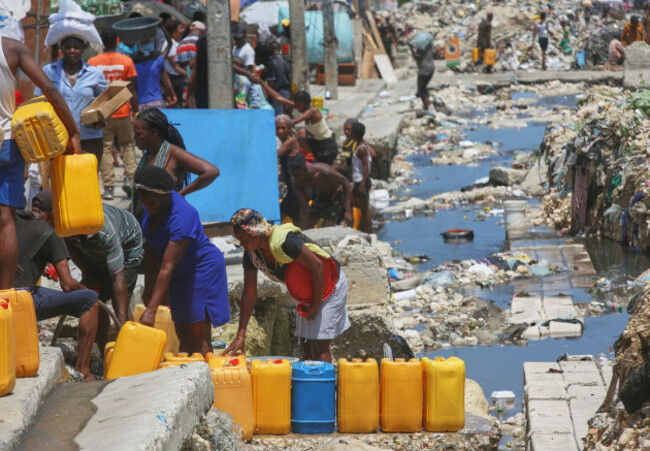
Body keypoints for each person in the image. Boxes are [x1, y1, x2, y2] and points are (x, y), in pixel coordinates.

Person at [0, 37, 81, 291]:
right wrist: (72, 130)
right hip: (7, 142)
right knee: (6, 220)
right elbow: (51, 90)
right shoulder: (10, 48)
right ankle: (4, 295)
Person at [226, 209, 350, 362]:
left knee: (319, 346)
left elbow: (318, 266)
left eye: (244, 240)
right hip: (308, 288)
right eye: (240, 241)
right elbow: (249, 294)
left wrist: (316, 305)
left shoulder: (284, 241)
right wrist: (241, 334)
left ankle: (323, 385)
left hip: (329, 283)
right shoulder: (252, 255)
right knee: (306, 346)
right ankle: (308, 384)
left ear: (255, 232)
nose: (242, 245)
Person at [135, 166, 230, 354]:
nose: (147, 207)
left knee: (198, 336)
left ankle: (208, 378)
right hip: (179, 272)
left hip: (201, 269)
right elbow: (152, 250)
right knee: (182, 334)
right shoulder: (149, 207)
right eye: (144, 202)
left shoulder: (183, 216)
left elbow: (167, 266)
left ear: (164, 196)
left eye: (151, 203)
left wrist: (152, 310)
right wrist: (148, 287)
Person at [16, 191, 99, 381]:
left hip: (6, 295)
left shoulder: (10, 218)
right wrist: (85, 290)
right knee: (91, 301)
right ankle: (83, 371)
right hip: (21, 303)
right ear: (54, 214)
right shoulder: (49, 233)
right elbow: (68, 285)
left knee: (37, 290)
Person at [64, 201, 143, 352]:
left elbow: (117, 277)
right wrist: (87, 272)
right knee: (96, 300)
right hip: (95, 250)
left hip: (128, 247)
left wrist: (120, 325)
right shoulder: (67, 226)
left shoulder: (106, 233)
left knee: (119, 301)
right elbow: (72, 247)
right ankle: (101, 352)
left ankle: (129, 348)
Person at [35, 36, 108, 164]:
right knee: (61, 180)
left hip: (89, 137)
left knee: (87, 179)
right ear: (61, 49)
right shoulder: (49, 71)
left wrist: (102, 117)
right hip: (58, 138)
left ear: (83, 49)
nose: (72, 50)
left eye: (76, 47)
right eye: (68, 47)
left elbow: (107, 100)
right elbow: (38, 100)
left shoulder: (95, 73)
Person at [88, 29, 139, 200]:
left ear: (101, 43)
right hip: (123, 111)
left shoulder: (93, 62)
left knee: (106, 150)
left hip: (103, 114)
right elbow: (131, 88)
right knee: (128, 146)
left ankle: (108, 188)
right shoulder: (126, 61)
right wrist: (136, 109)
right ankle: (131, 180)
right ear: (116, 43)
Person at [133, 108, 220, 196]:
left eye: (138, 134)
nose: (134, 139)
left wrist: (181, 194)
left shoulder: (173, 153)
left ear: (154, 133)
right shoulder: (148, 155)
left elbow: (211, 172)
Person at [261, 84, 339, 165]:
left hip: (328, 145)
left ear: (302, 103)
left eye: (297, 104)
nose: (295, 106)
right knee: (298, 138)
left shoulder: (312, 111)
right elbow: (278, 98)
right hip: (316, 143)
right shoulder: (302, 107)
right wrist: (262, 83)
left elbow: (293, 122)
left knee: (324, 170)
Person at [288, 153, 353, 229]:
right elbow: (304, 205)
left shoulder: (322, 172)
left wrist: (348, 211)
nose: (296, 178)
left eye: (297, 175)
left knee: (326, 229)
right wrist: (301, 225)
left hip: (336, 195)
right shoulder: (296, 181)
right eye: (293, 175)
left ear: (304, 169)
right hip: (320, 197)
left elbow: (346, 182)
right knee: (305, 229)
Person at [349, 121, 372, 233]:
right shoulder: (361, 145)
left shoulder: (361, 149)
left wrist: (362, 184)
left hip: (361, 182)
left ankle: (370, 234)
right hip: (359, 181)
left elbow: (366, 167)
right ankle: (363, 231)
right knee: (361, 209)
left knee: (365, 210)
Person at [161, 19, 186, 108]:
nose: (182, 31)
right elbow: (175, 66)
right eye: (180, 28)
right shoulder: (171, 45)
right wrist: (189, 75)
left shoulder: (176, 43)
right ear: (174, 31)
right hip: (174, 80)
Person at [264, 41, 292, 115]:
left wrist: (267, 93)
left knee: (279, 118)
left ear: (269, 49)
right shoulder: (285, 60)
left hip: (277, 94)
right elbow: (290, 77)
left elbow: (271, 82)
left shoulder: (271, 62)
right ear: (279, 49)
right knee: (286, 117)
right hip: (286, 92)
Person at [410, 39, 434, 110]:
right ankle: (428, 103)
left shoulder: (421, 48)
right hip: (431, 68)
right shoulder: (430, 46)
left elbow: (415, 57)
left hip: (424, 69)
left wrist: (411, 48)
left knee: (421, 90)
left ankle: (426, 107)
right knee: (424, 87)